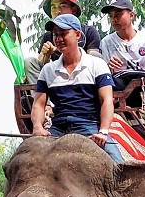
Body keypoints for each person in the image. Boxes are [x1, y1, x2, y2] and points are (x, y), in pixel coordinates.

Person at [31, 14, 122, 164]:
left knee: (119, 165)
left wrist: (103, 131)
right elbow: (38, 104)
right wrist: (37, 127)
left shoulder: (97, 64)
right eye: (56, 34)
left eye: (64, 33)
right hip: (58, 128)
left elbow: (107, 100)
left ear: (78, 35)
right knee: (26, 163)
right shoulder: (47, 70)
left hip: (88, 125)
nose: (59, 39)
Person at [24, 0, 103, 84]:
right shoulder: (49, 36)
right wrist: (46, 55)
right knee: (30, 62)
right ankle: (39, 97)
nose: (58, 11)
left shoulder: (89, 31)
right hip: (57, 78)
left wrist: (64, 50)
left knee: (95, 56)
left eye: (63, 6)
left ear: (73, 10)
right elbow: (41, 63)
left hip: (83, 78)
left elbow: (94, 59)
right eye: (53, 7)